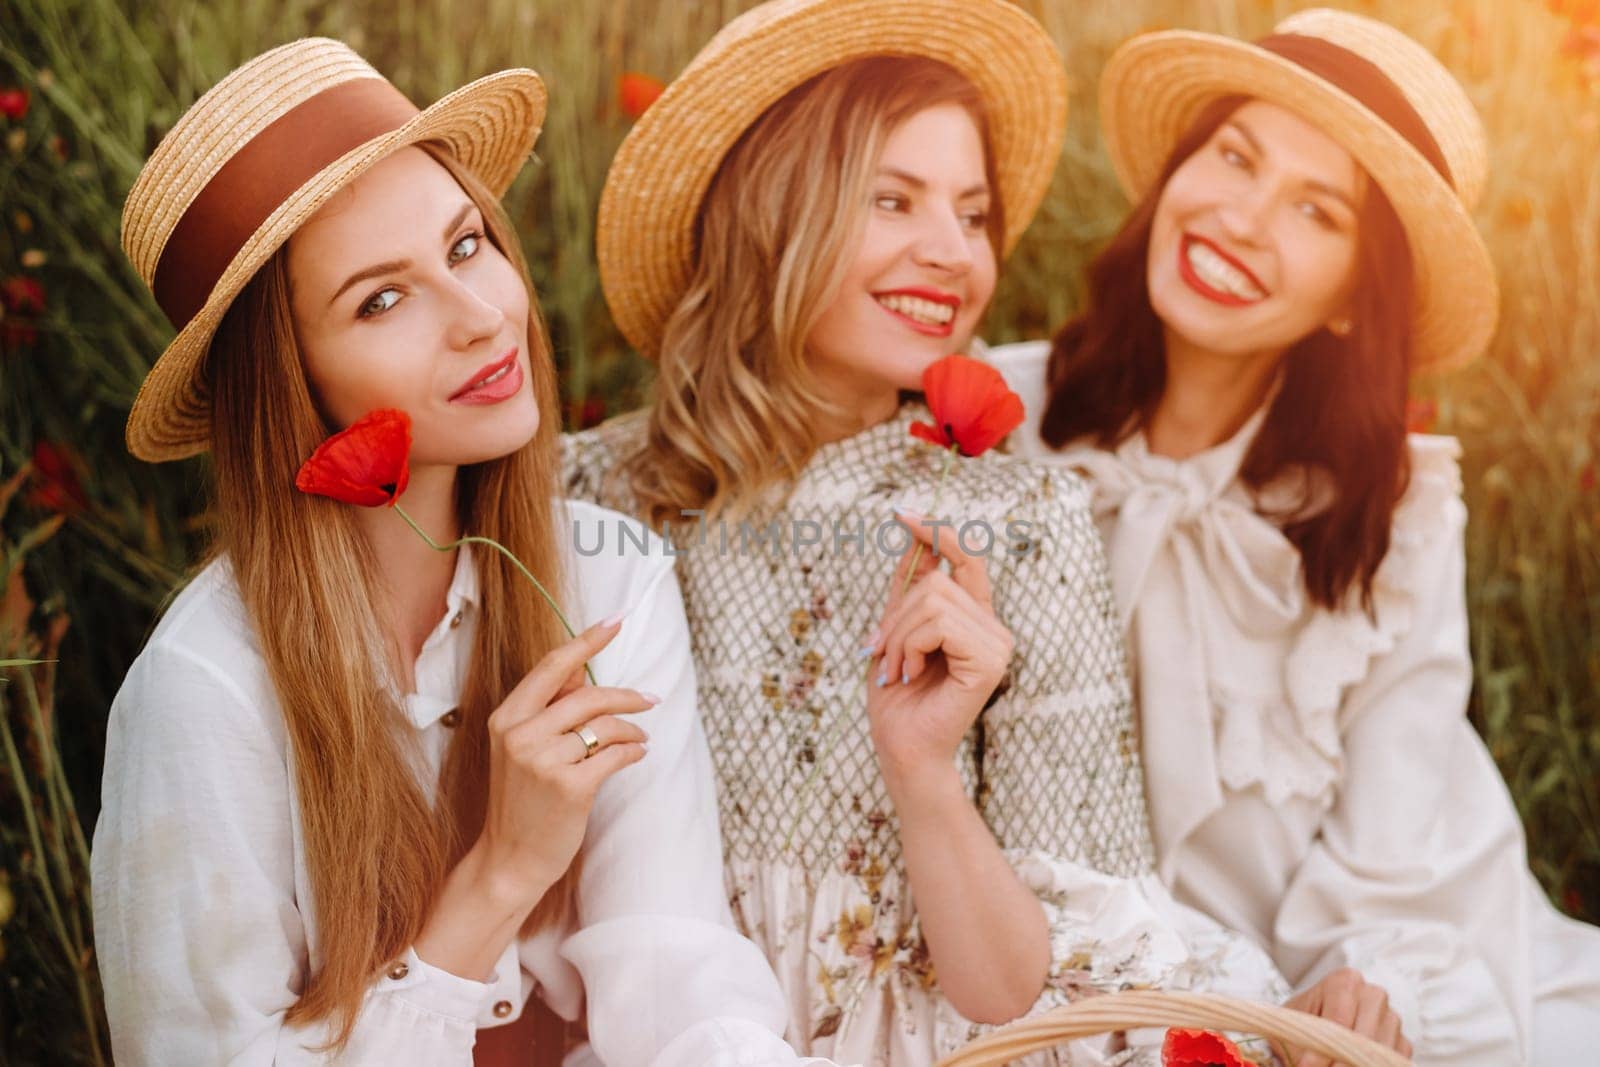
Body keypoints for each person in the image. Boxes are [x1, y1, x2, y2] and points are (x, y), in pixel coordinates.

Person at [564, 1, 1291, 1064]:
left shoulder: (1017, 521)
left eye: (974, 214)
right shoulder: (595, 496)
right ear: (770, 211)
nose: (951, 252)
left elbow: (1013, 986)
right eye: (892, 199)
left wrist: (924, 771)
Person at [90, 37, 830, 1066]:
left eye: (468, 244)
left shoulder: (607, 574)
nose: (484, 318)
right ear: (287, 382)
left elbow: (672, 967)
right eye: (381, 299)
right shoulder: (207, 687)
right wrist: (501, 872)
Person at [986, 9, 1600, 1065]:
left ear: (1357, 304)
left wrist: (1357, 986)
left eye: (1314, 210)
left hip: (1353, 927)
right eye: (1233, 155)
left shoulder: (1395, 511)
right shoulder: (998, 412)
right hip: (1039, 961)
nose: (1239, 217)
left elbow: (1392, 830)